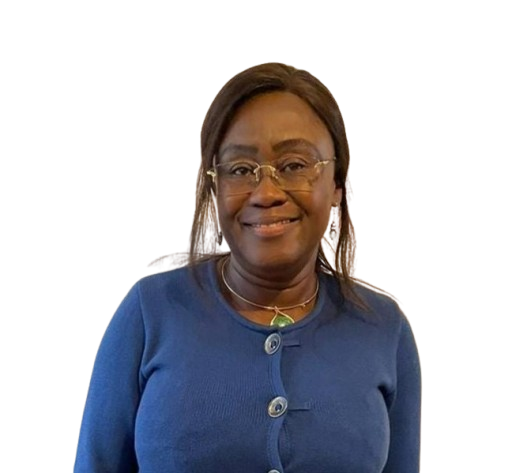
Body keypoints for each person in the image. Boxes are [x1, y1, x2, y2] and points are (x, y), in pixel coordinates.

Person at [73, 62, 422, 472]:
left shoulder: (385, 329)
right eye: (240, 169)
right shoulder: (150, 312)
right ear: (215, 188)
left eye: (294, 165)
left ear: (338, 187)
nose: (266, 192)